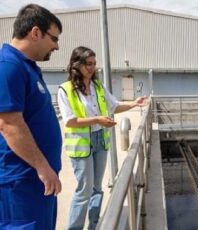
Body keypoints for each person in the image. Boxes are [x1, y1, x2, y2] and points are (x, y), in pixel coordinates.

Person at [58, 46, 148, 230]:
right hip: (82, 145)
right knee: (84, 190)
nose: (92, 68)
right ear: (77, 65)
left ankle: (94, 225)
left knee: (97, 189)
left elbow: (114, 106)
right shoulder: (66, 90)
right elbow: (70, 121)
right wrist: (98, 119)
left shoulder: (97, 86)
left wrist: (133, 103)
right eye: (87, 64)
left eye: (94, 64)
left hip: (100, 141)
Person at [0, 4, 63, 230]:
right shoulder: (9, 66)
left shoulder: (27, 67)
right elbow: (9, 125)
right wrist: (43, 168)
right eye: (54, 39)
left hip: (37, 180)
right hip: (22, 182)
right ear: (35, 33)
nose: (56, 46)